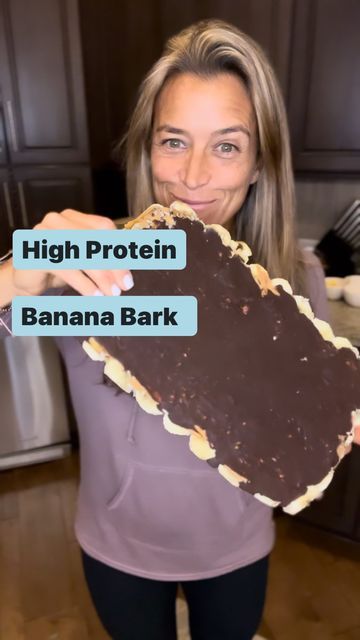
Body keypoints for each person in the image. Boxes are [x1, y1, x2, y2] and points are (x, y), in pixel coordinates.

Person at [0, 19, 359, 640]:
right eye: (173, 141)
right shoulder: (93, 272)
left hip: (237, 548)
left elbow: (311, 410)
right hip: (118, 549)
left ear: (258, 165)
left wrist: (333, 423)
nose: (193, 176)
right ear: (145, 151)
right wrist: (15, 277)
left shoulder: (295, 280)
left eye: (226, 146)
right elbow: (21, 307)